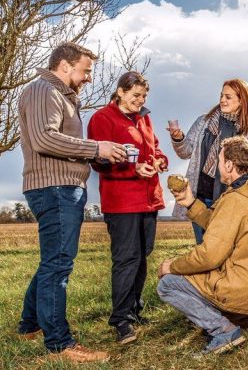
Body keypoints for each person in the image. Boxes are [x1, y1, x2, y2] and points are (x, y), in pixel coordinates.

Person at [17, 42, 126, 363]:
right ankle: (59, 344)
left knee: (53, 259)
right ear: (65, 65)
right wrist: (96, 148)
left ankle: (29, 323)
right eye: (86, 70)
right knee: (58, 265)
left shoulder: (59, 95)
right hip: (55, 188)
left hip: (62, 186)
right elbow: (43, 138)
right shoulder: (43, 91)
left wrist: (101, 154)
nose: (89, 77)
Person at [158, 136, 248, 356]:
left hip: (241, 288)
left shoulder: (236, 199)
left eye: (219, 160)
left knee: (168, 284)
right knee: (204, 280)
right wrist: (190, 203)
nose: (217, 166)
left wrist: (173, 266)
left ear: (229, 164)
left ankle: (224, 331)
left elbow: (209, 256)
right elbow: (222, 226)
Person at [87, 71, 167, 344]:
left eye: (144, 96)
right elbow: (98, 162)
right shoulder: (102, 119)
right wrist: (133, 169)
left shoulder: (144, 117)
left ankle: (134, 309)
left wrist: (160, 160)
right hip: (122, 202)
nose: (141, 100)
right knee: (126, 259)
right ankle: (121, 320)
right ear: (120, 91)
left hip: (149, 198)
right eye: (136, 95)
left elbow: (154, 147)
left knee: (143, 255)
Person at [168, 78, 248, 244]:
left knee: (223, 248)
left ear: (242, 100)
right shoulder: (204, 122)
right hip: (200, 195)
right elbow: (185, 151)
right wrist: (179, 138)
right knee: (202, 246)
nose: (222, 100)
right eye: (221, 95)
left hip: (228, 199)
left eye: (228, 97)